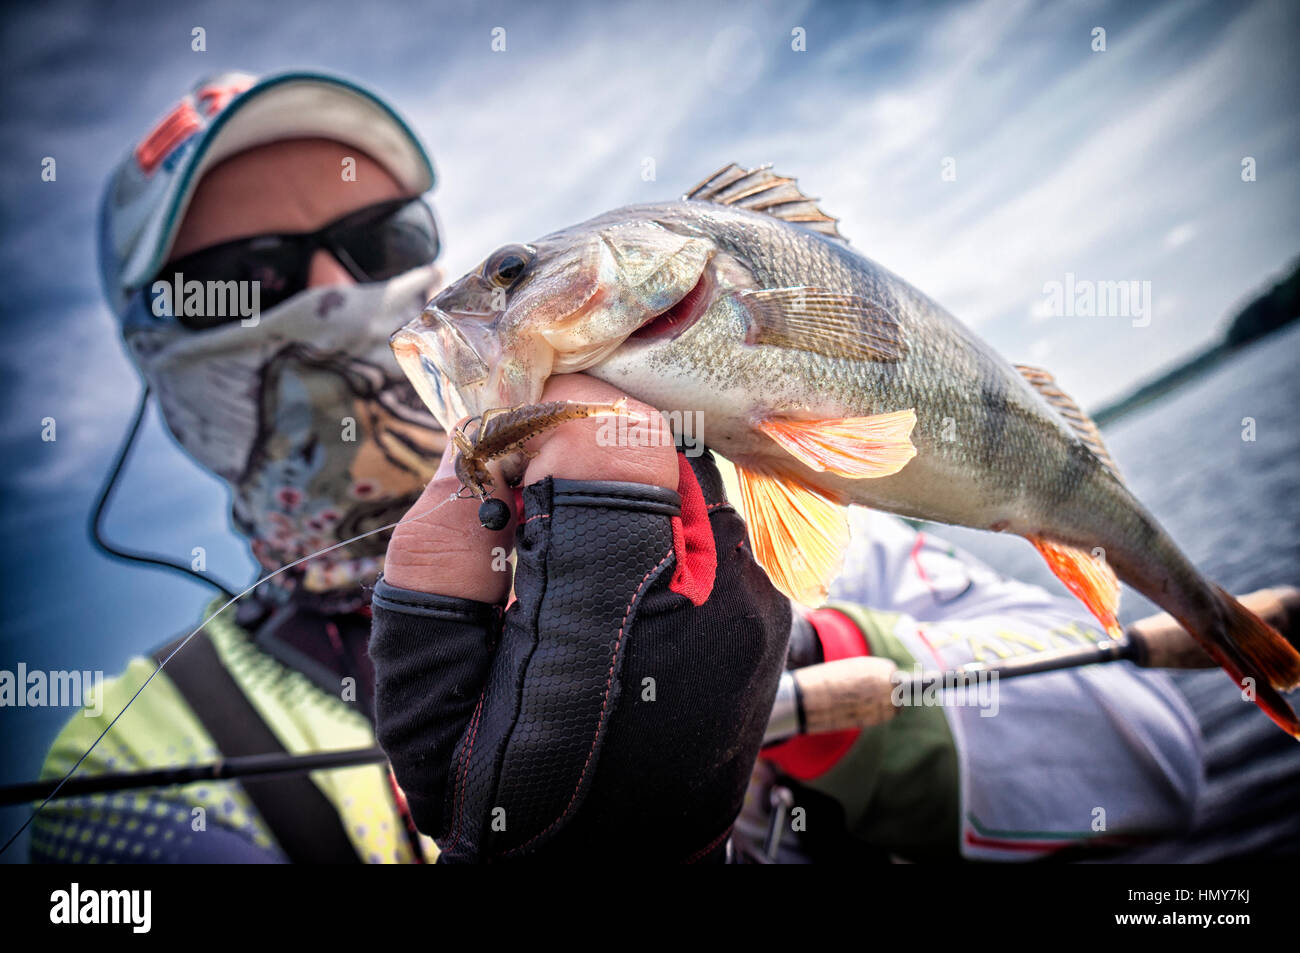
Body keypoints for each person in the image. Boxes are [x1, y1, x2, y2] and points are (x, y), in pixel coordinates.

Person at [34, 69, 1206, 865]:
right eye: (251, 269)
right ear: (159, 353)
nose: (340, 293)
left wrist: (795, 662)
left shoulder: (733, 493)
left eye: (379, 241)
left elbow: (1152, 750)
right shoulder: (133, 755)